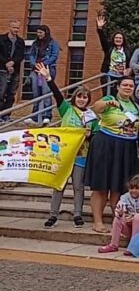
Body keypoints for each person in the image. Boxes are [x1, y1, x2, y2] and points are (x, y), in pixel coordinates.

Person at [36, 63, 94, 229]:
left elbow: (96, 135)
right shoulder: (66, 109)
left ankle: (78, 214)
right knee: (59, 185)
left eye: (85, 97)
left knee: (78, 186)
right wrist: (49, 79)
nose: (82, 99)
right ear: (74, 98)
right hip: (63, 155)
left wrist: (90, 136)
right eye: (79, 96)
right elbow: (57, 95)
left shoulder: (91, 116)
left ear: (88, 100)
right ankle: (53, 215)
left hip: (81, 155)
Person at [84, 77, 139, 233]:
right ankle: (98, 221)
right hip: (106, 145)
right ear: (118, 86)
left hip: (126, 147)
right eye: (125, 85)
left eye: (131, 86)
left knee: (119, 187)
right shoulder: (109, 98)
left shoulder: (134, 105)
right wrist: (108, 103)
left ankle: (118, 222)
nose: (128, 88)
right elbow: (95, 108)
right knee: (101, 186)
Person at [98, 174, 139, 254]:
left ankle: (133, 246)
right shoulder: (124, 197)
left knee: (137, 217)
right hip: (129, 226)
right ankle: (113, 245)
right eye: (131, 188)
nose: (134, 191)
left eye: (137, 188)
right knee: (117, 219)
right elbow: (119, 208)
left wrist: (133, 217)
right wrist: (120, 214)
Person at [26, 25, 60, 125]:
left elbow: (54, 56)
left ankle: (47, 116)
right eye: (38, 32)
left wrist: (43, 64)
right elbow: (31, 54)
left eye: (40, 32)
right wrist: (34, 64)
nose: (39, 34)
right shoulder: (35, 43)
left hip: (47, 69)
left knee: (46, 92)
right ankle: (35, 116)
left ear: (46, 33)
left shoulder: (53, 43)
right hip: (36, 70)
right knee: (36, 93)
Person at [96, 14, 132, 96]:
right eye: (116, 38)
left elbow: (130, 62)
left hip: (122, 76)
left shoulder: (128, 50)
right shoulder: (109, 47)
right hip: (109, 75)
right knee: (108, 94)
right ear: (113, 39)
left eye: (120, 38)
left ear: (123, 40)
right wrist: (100, 28)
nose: (118, 39)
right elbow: (103, 39)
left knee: (119, 95)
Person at [0, 19, 25, 121]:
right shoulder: (1, 39)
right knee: (1, 92)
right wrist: (6, 63)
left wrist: (13, 63)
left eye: (18, 28)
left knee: (11, 94)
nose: (16, 30)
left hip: (15, 70)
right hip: (2, 69)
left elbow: (21, 55)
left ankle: (6, 115)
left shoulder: (20, 42)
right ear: (10, 27)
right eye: (14, 27)